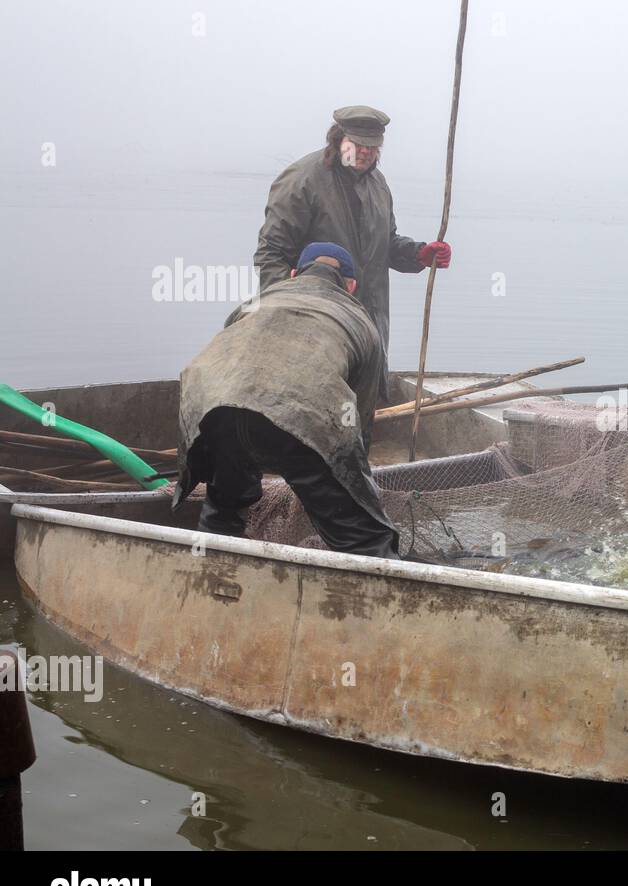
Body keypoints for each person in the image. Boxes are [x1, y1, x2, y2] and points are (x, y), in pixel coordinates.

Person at [174, 242, 401, 558]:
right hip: (299, 414)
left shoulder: (254, 302)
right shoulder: (359, 320)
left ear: (294, 274)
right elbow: (356, 423)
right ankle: (380, 595)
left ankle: (209, 578)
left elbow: (233, 367)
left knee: (224, 509)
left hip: (210, 407)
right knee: (364, 540)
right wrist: (359, 493)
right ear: (351, 286)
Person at [254, 105, 453, 386]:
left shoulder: (378, 185)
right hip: (315, 323)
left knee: (363, 408)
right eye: (357, 144)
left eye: (372, 147)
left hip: (369, 325)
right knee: (317, 396)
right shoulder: (302, 180)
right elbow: (270, 254)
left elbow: (385, 244)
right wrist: (290, 307)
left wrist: (419, 254)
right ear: (338, 139)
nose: (365, 152)